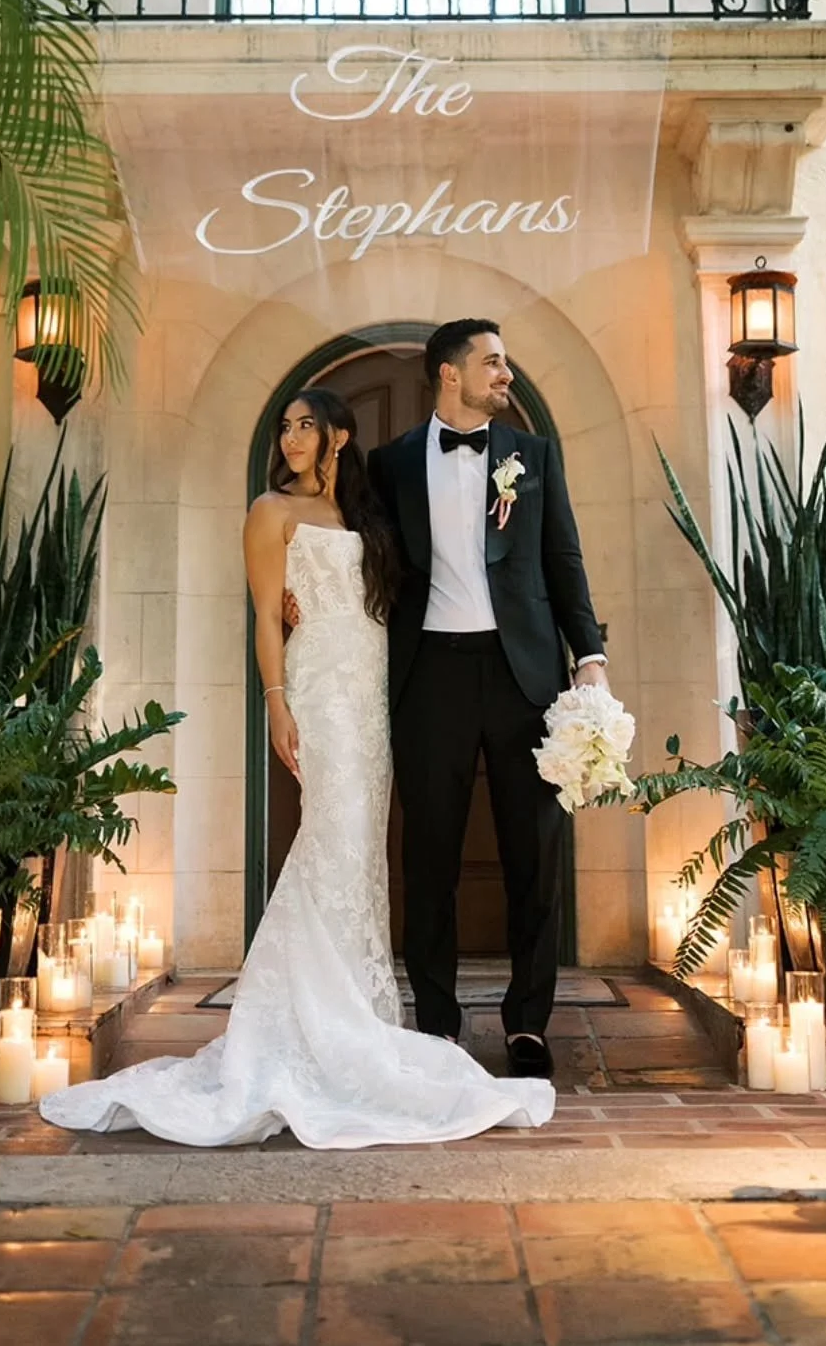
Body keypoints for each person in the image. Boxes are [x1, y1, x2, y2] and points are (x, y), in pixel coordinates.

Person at [36, 386, 554, 1147]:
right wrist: (277, 702)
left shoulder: (365, 515)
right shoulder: (269, 512)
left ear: (340, 436)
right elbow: (264, 616)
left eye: (305, 425)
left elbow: (401, 600)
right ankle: (308, 1020)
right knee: (331, 837)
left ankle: (361, 1013)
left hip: (373, 693)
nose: (290, 438)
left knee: (361, 854)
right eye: (284, 427)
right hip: (318, 691)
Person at [367, 320, 608, 1079]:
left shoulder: (533, 456)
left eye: (507, 359)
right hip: (429, 674)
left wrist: (590, 656)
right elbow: (364, 561)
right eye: (493, 361)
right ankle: (436, 1021)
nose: (507, 373)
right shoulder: (391, 463)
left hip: (523, 676)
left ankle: (528, 1023)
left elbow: (561, 555)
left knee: (532, 854)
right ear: (449, 373)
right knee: (428, 855)